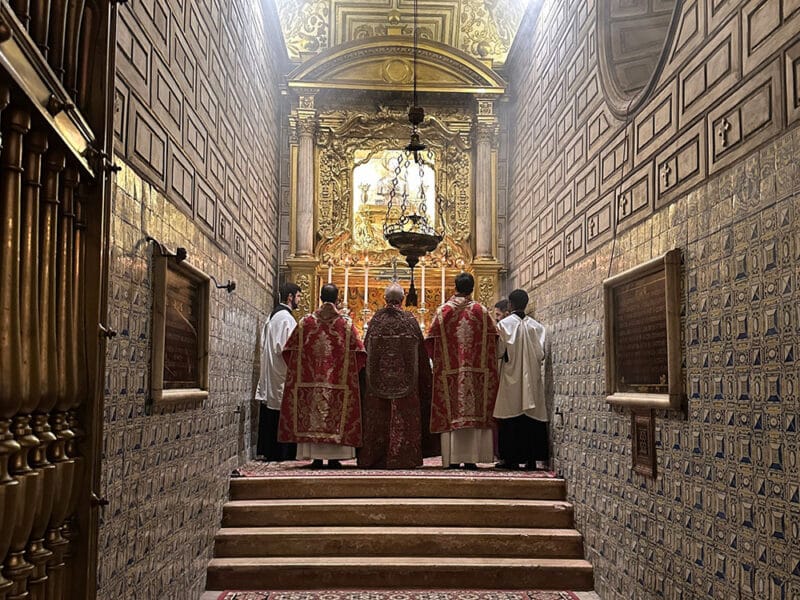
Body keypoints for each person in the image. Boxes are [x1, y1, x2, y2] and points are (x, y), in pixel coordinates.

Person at [277, 284, 366, 469]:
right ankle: (335, 458)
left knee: (313, 412)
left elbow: (288, 352)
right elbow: (360, 354)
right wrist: (349, 374)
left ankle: (315, 457)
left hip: (310, 383)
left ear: (319, 297)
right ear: (337, 299)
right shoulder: (346, 325)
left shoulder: (305, 323)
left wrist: (299, 372)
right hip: (338, 383)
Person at [358, 283, 438, 469]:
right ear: (402, 299)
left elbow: (366, 350)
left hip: (377, 382)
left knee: (379, 417)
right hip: (406, 382)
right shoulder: (410, 321)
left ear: (385, 299)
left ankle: (376, 457)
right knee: (404, 417)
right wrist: (426, 380)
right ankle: (404, 457)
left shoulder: (376, 321)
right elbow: (421, 355)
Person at [425, 272, 499, 470]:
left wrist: (439, 362)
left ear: (455, 287)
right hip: (476, 374)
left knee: (452, 411)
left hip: (450, 372)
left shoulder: (443, 311)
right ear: (472, 288)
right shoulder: (481, 311)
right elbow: (494, 341)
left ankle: (452, 458)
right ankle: (472, 457)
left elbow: (430, 343)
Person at [493, 288, 549, 471]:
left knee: (511, 415)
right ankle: (531, 459)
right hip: (532, 377)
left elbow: (499, 352)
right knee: (531, 415)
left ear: (510, 304)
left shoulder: (504, 325)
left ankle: (511, 459)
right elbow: (541, 354)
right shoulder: (537, 327)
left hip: (511, 376)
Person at [255, 282, 301, 461]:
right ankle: (281, 453)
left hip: (274, 371)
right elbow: (285, 348)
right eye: (298, 296)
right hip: (281, 373)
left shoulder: (273, 316)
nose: (299, 300)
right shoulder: (285, 318)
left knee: (273, 410)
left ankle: (272, 452)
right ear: (290, 297)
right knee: (281, 411)